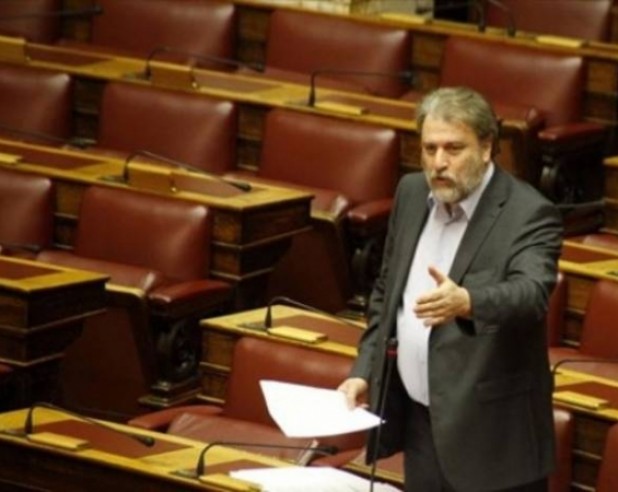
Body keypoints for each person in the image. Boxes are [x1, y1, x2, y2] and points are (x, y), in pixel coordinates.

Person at [338, 86, 563, 492]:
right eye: (429, 149)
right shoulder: (411, 194)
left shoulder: (527, 212)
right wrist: (365, 372)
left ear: (486, 147)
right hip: (421, 425)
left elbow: (532, 293)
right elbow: (388, 292)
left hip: (494, 439)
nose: (438, 163)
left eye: (454, 148)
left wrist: (468, 302)